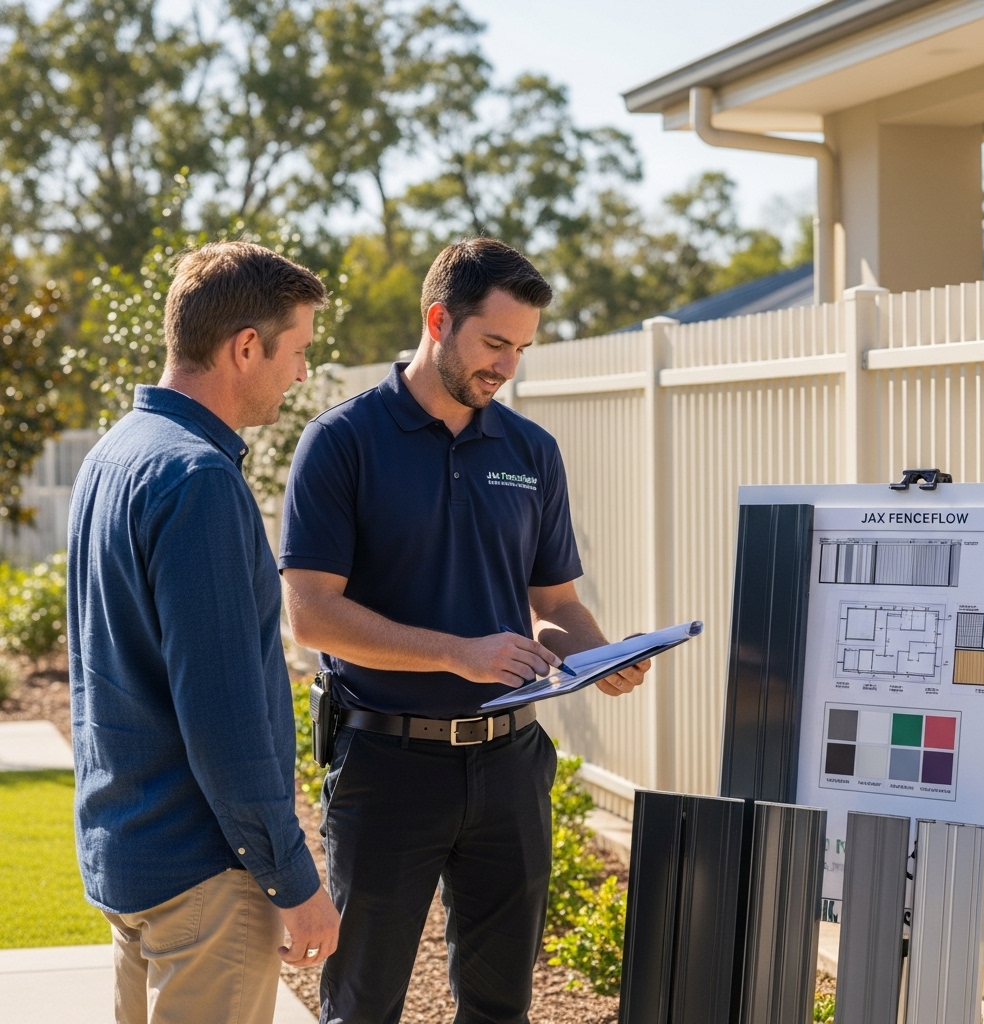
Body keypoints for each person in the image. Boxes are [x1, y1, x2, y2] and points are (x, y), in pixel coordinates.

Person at [279, 237, 650, 1024]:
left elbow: (555, 605)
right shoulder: (342, 441)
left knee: (500, 1007)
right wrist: (456, 653)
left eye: (520, 349)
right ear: (438, 320)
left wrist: (598, 656)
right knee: (363, 1005)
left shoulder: (530, 450)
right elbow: (310, 613)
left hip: (511, 767)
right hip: (386, 765)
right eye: (494, 343)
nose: (507, 366)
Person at [66, 241, 340, 1024]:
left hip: (129, 856)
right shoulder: (199, 480)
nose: (301, 374)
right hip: (204, 879)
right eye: (298, 351)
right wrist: (294, 881)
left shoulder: (112, 456)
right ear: (245, 347)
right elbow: (224, 717)